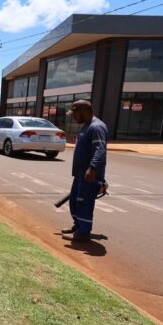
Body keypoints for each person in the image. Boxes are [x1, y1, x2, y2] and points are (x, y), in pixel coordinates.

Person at [62, 99, 108, 242]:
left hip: (89, 174)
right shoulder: (87, 126)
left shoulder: (97, 127)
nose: (74, 117)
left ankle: (83, 233)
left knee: (84, 203)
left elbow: (100, 149)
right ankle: (78, 226)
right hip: (81, 173)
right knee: (75, 202)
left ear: (84, 111)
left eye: (75, 114)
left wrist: (93, 168)